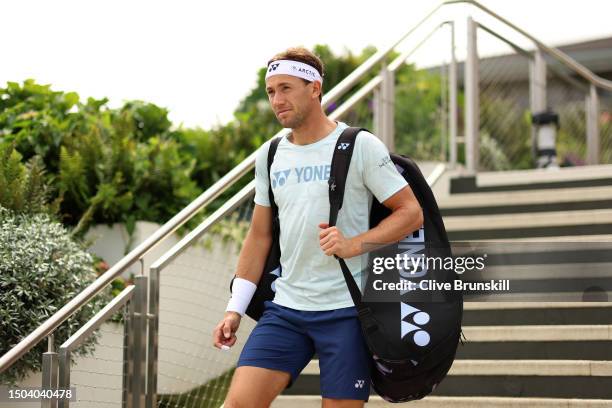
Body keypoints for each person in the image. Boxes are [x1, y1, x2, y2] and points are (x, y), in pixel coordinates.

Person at [212, 47, 423, 408]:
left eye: (286, 88)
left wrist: (355, 244)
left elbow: (410, 212)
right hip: (286, 308)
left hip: (347, 311)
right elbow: (259, 236)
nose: (276, 100)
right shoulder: (271, 154)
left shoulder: (360, 146)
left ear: (315, 88)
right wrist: (235, 307)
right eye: (271, 91)